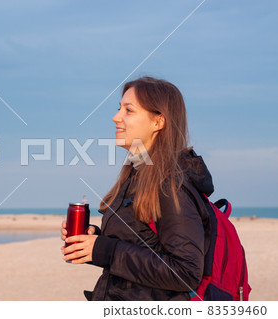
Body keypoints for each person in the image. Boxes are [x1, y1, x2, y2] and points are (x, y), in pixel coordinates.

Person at [60, 76, 213, 301]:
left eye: (128, 110)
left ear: (158, 122)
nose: (116, 117)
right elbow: (145, 246)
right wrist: (94, 243)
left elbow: (185, 272)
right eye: (119, 109)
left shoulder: (171, 185)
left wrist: (107, 250)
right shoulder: (139, 175)